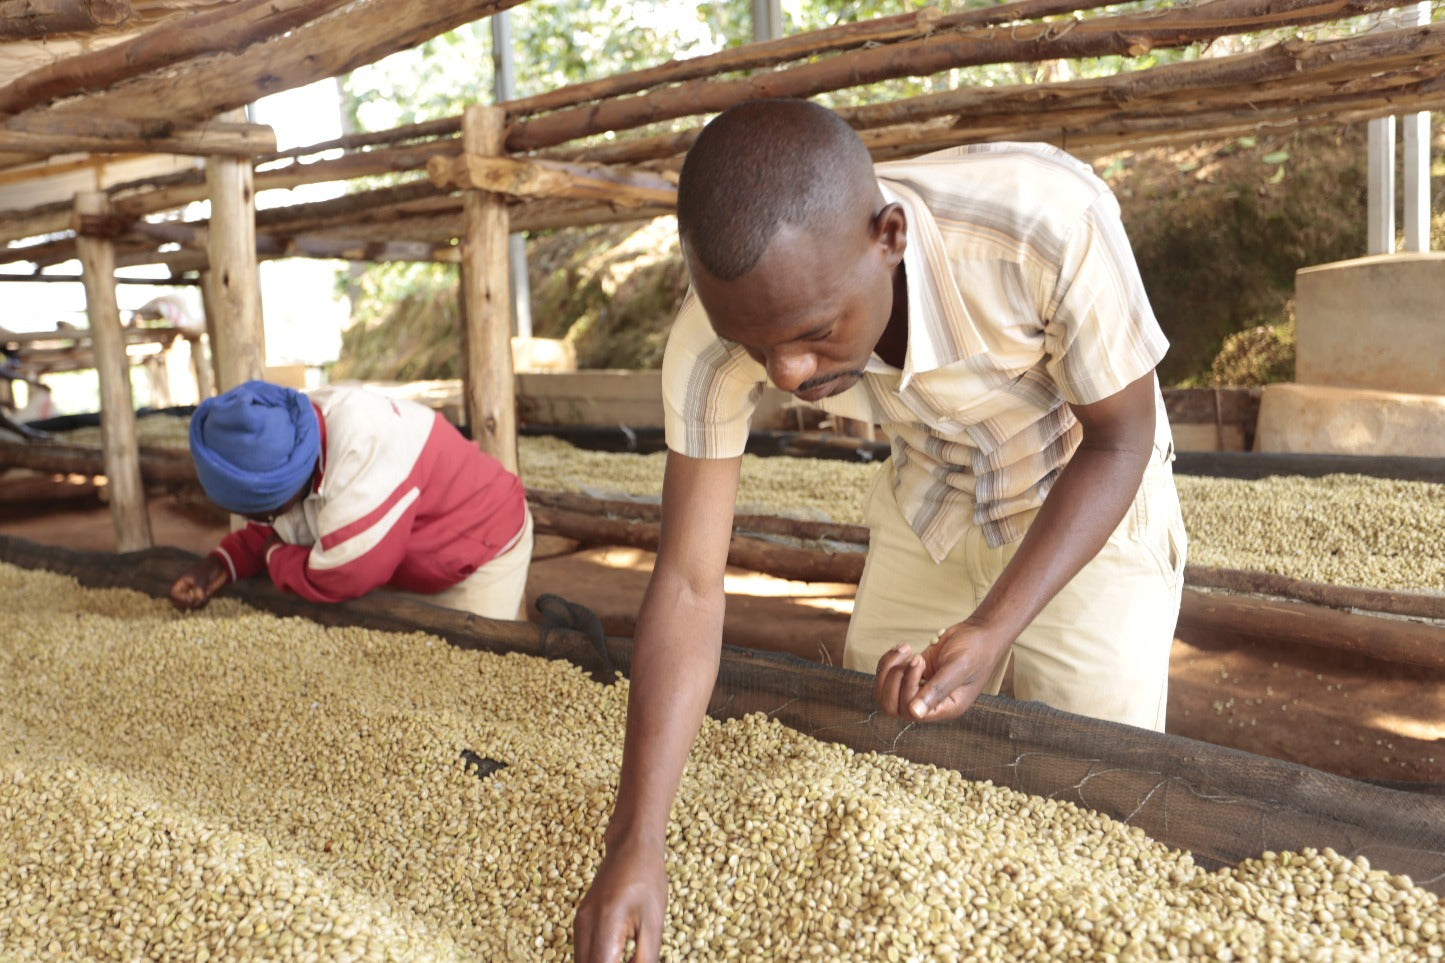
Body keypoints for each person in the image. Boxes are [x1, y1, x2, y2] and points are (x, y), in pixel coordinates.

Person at [572, 98, 1188, 962]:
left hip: (1082, 490)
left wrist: (991, 626)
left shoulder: (1041, 226)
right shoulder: (715, 339)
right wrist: (634, 840)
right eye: (755, 344)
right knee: (886, 758)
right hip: (930, 490)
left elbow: (1118, 441)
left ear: (889, 237)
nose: (786, 372)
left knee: (1096, 788)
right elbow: (687, 581)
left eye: (816, 333)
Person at [168, 379, 532, 620]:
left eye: (263, 512)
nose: (262, 523)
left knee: (477, 672)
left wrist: (271, 555)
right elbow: (282, 523)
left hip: (482, 548)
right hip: (416, 551)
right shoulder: (293, 437)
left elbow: (344, 575)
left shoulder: (362, 453)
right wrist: (223, 563)